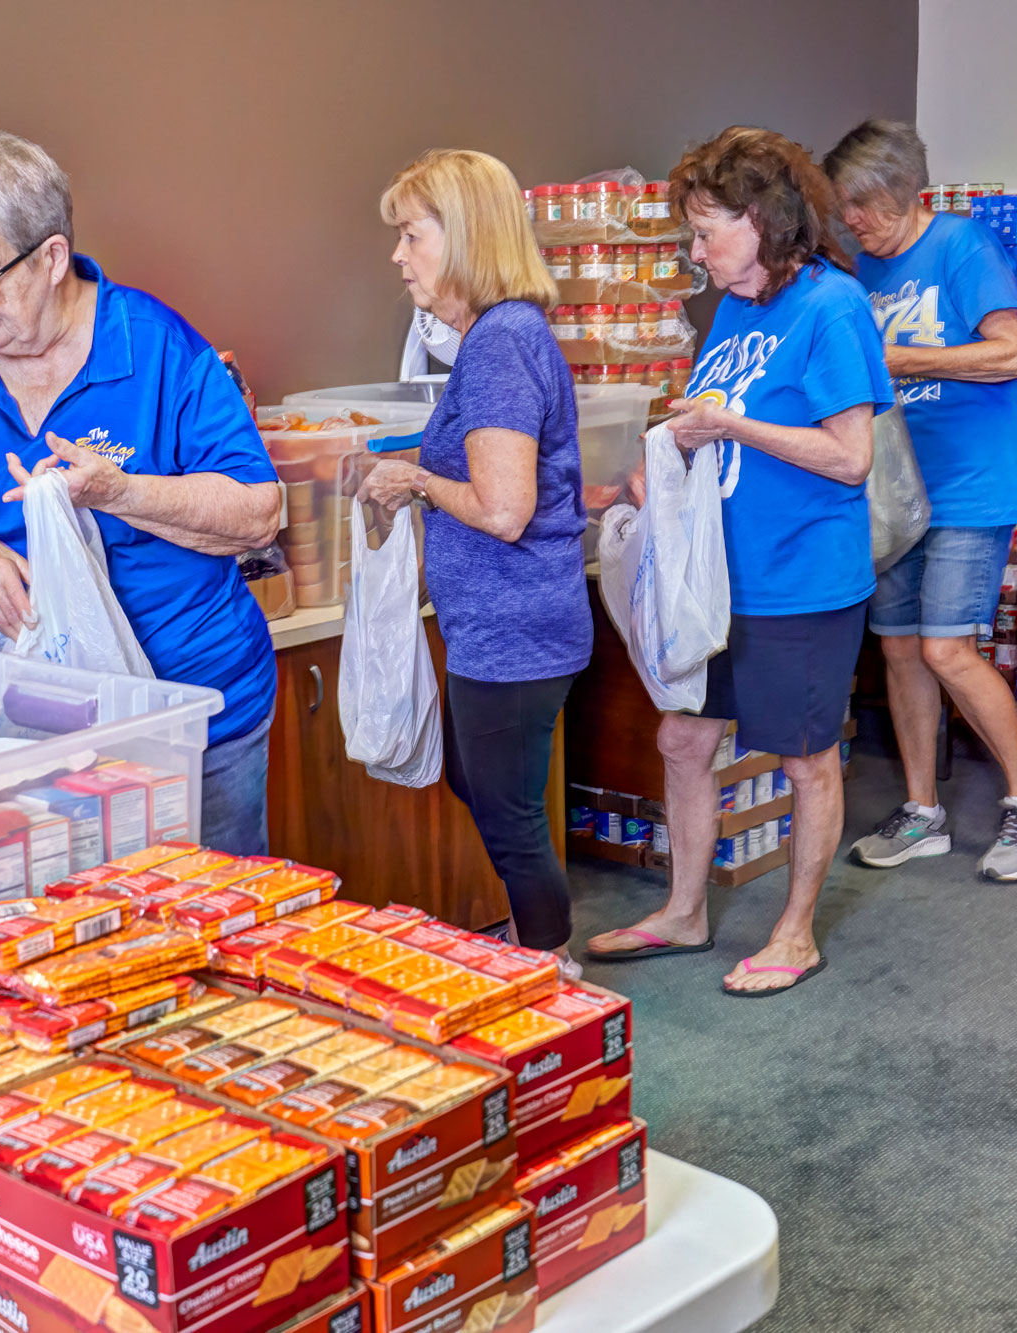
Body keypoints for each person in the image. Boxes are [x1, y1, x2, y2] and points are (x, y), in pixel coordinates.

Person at [0, 131, 282, 853]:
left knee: (205, 928)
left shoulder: (154, 347)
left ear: (51, 258)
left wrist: (119, 491)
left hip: (191, 719)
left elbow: (257, 513)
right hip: (14, 722)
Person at [586, 126, 893, 997]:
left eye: (706, 229)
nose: (696, 249)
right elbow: (712, 420)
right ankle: (685, 911)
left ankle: (795, 934)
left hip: (801, 581)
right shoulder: (731, 310)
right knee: (682, 736)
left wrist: (729, 427)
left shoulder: (831, 307)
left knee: (805, 760)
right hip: (717, 572)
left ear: (763, 220)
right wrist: (656, 469)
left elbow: (849, 456)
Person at [356, 149, 591, 977]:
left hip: (513, 627)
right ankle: (540, 947)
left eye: (411, 235)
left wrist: (416, 479)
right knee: (478, 779)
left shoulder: (497, 345)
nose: (398, 255)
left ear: (462, 238)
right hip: (506, 623)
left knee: (507, 809)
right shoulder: (501, 338)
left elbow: (503, 508)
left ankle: (549, 967)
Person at [823, 119, 1017, 881]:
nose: (851, 222)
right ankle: (923, 810)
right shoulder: (864, 269)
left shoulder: (964, 247)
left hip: (968, 485)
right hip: (894, 487)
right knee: (898, 649)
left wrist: (901, 358)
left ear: (900, 190)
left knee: (945, 648)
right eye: (844, 208)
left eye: (861, 205)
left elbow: (1014, 352)